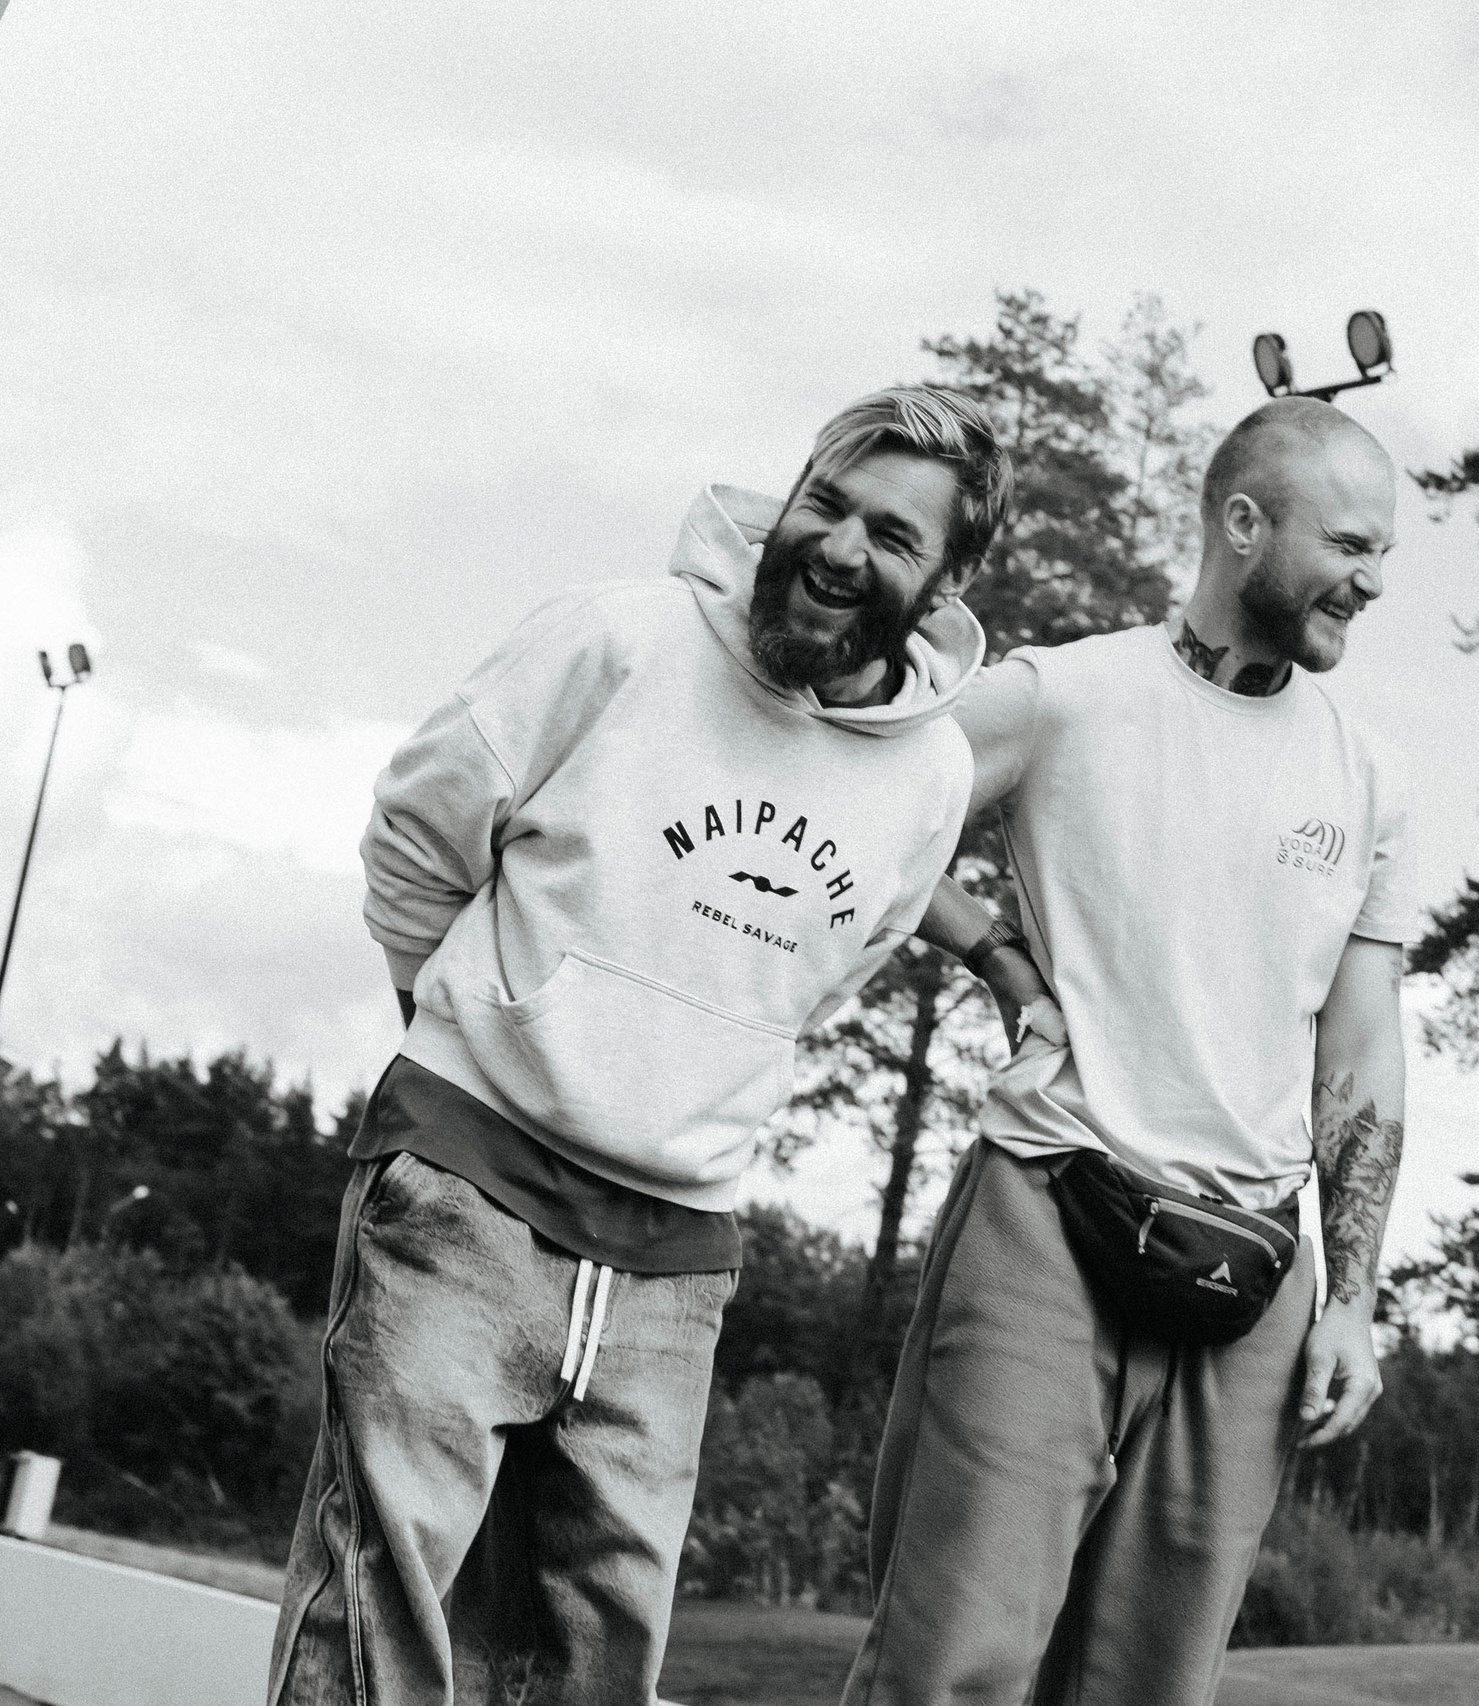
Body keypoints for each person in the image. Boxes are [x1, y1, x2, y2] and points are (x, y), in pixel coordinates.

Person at [268, 387, 1014, 1706]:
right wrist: (473, 1036)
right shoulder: (617, 638)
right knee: (381, 1601)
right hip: (464, 1189)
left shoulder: (932, 774)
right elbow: (418, 835)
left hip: (677, 1260)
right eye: (825, 503)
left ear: (948, 578)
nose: (839, 547)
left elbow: (828, 965)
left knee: (592, 1652)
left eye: (892, 535)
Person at [841, 396, 1416, 1706]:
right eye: (1348, 544)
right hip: (1052, 1207)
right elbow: (865, 792)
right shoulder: (1070, 693)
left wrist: (1354, 1296)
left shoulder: (1373, 777)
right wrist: (989, 948)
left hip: (1255, 1274)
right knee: (956, 1665)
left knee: (1149, 1685)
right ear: (1241, 523)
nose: (1373, 581)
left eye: (1385, 553)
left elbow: (1363, 1044)